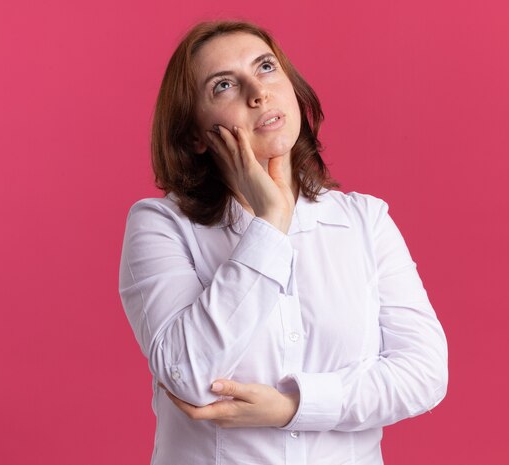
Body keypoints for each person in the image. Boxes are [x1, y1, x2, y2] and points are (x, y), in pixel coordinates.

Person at [119, 19, 448, 465]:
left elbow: (424, 375)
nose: (258, 92)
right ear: (195, 134)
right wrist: (270, 226)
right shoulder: (161, 225)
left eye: (267, 67)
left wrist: (294, 407)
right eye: (224, 86)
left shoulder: (365, 221)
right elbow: (189, 374)